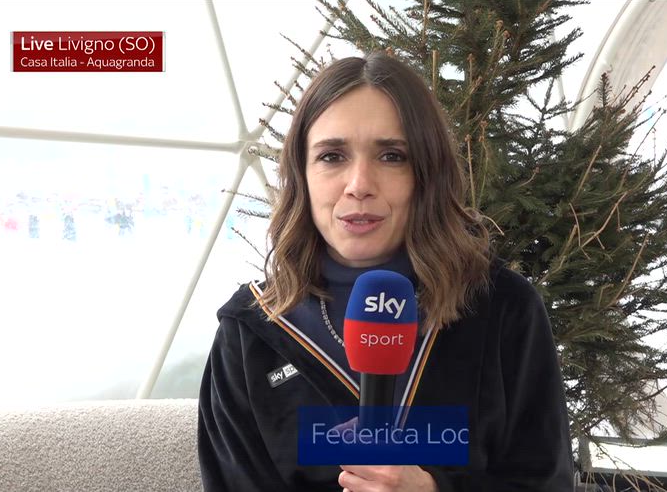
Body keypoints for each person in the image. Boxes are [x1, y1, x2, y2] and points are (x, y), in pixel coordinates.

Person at [197, 51, 574, 491]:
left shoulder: (502, 308)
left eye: (392, 156)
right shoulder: (251, 331)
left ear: (427, 173)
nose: (359, 185)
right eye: (332, 156)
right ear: (301, 174)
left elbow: (547, 483)